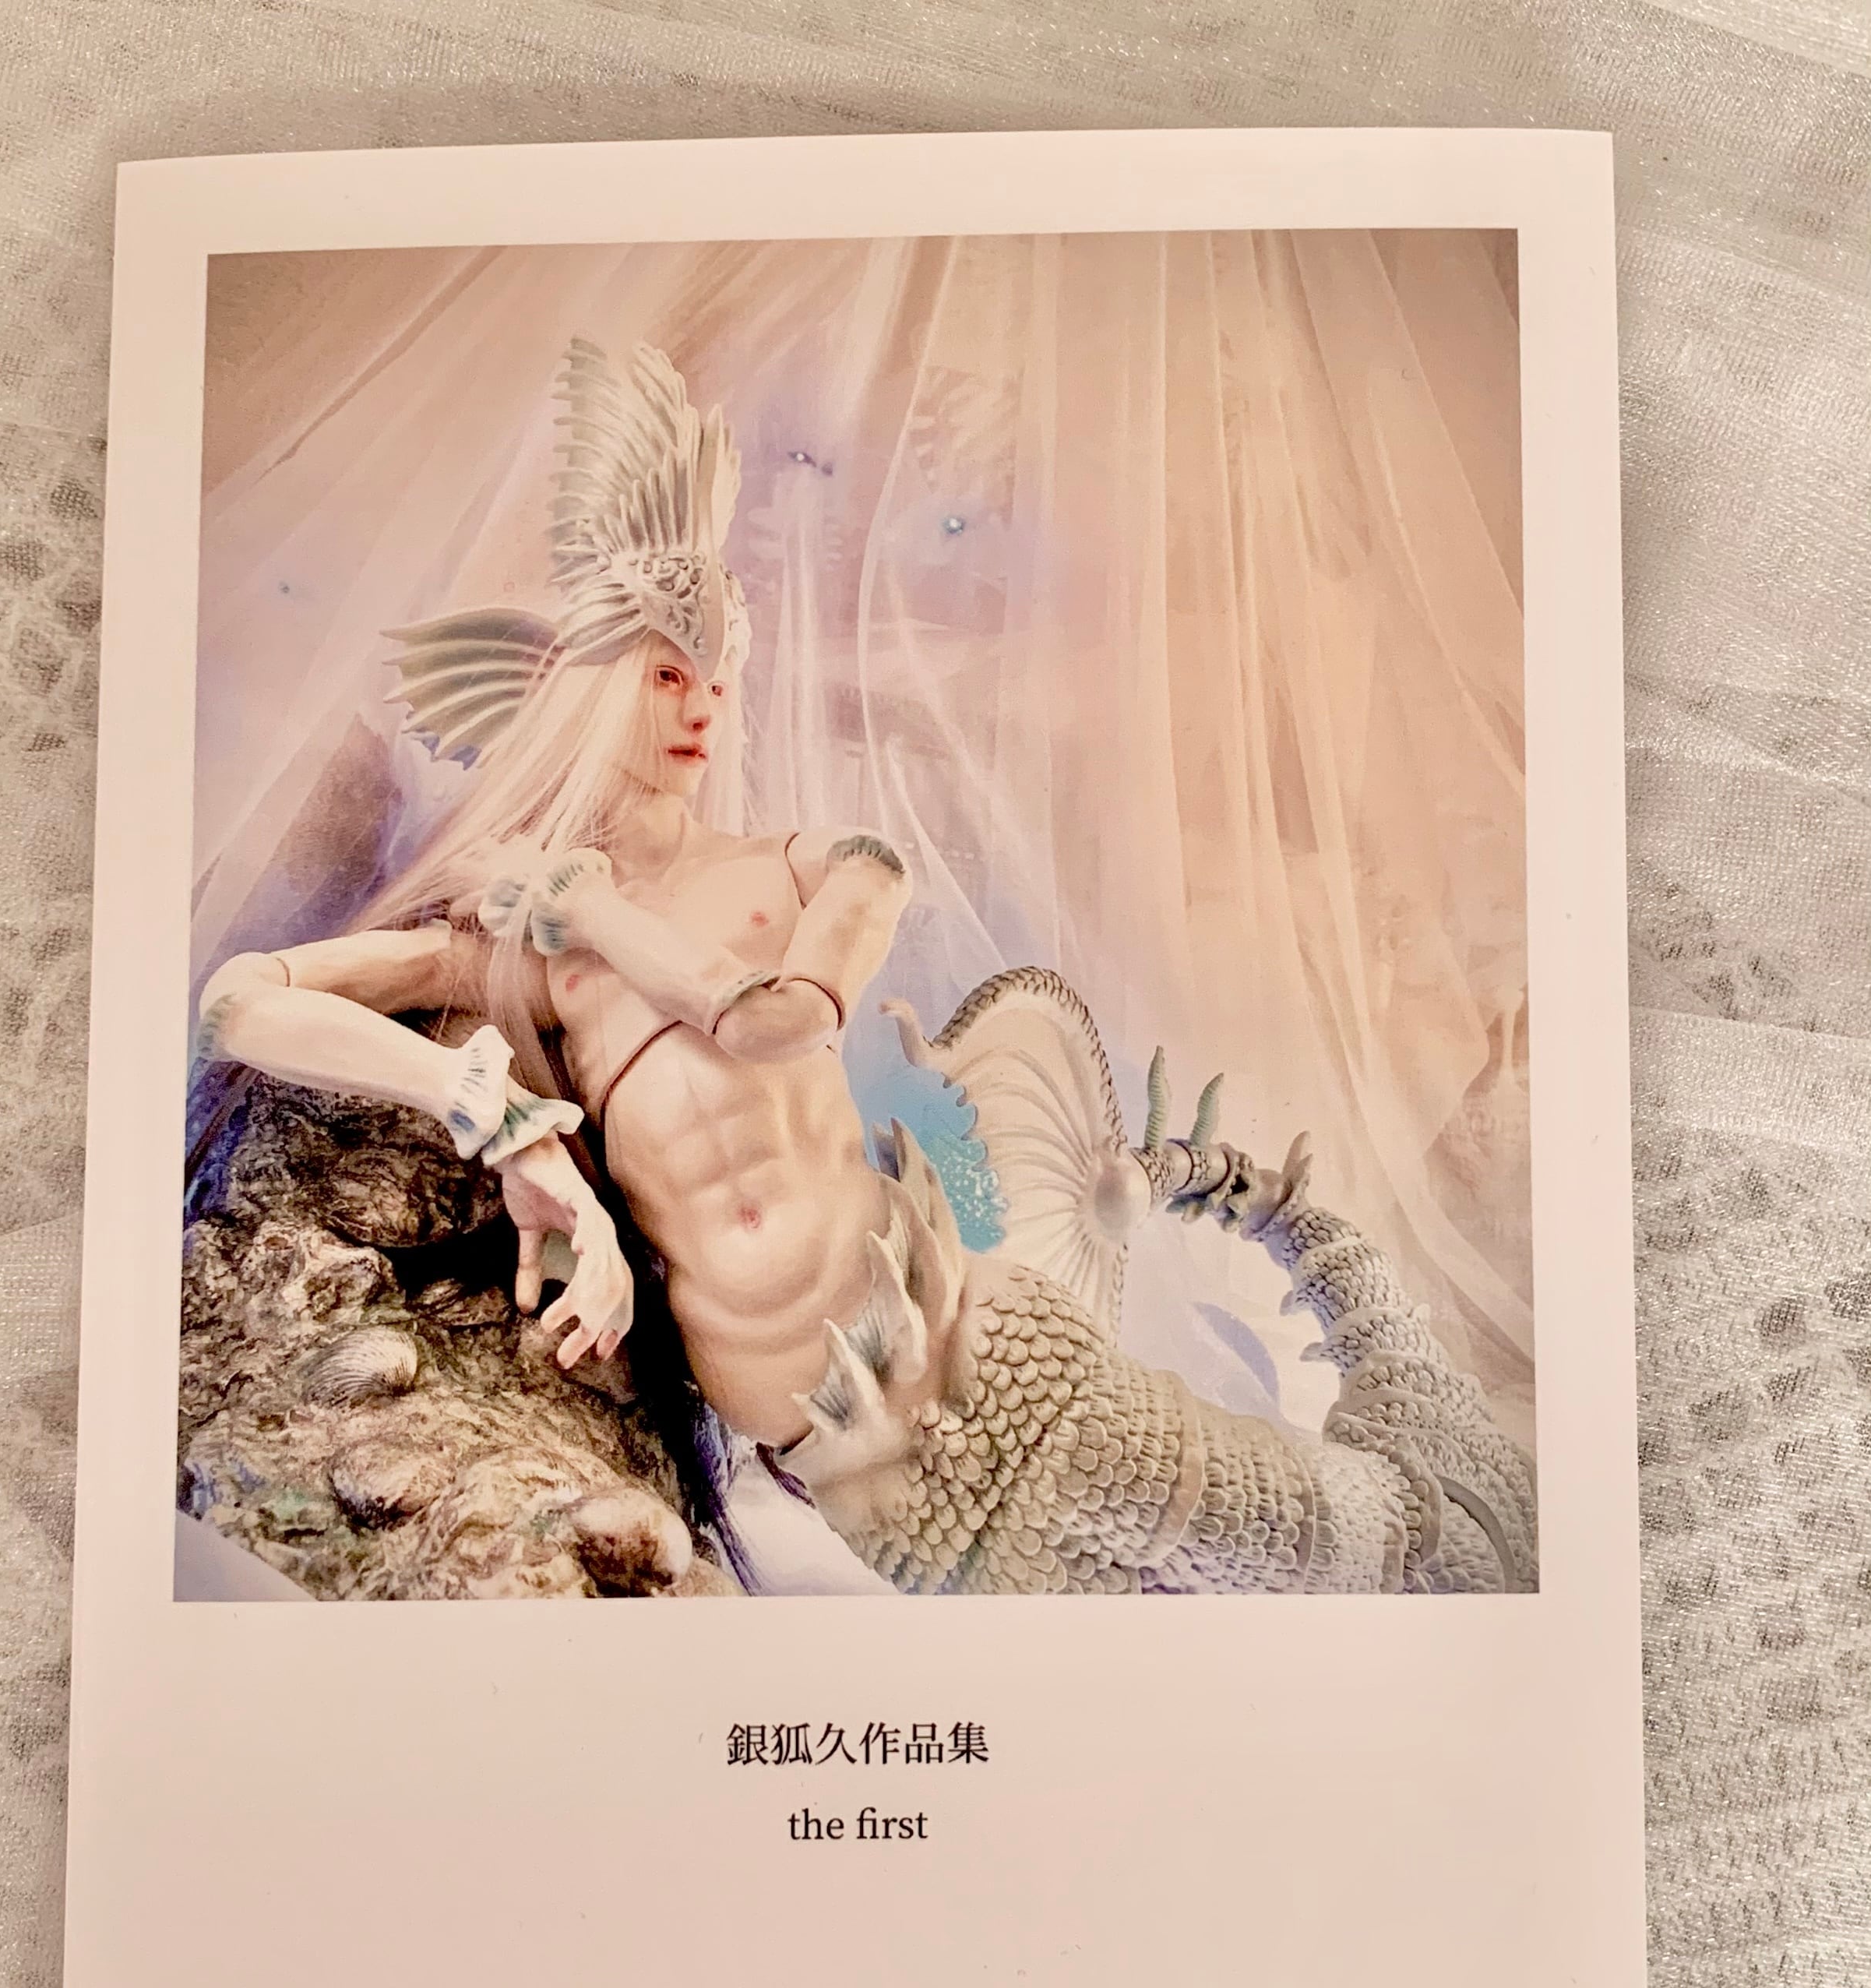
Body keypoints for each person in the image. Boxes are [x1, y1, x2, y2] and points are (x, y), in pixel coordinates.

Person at [199, 338, 1538, 1594]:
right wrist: (506, 1125)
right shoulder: (521, 952)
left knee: (1363, 1555)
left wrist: (597, 914)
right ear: (588, 685)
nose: (705, 707)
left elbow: (774, 1023)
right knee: (1140, 1684)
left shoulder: (815, 865)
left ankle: (1457, 1482)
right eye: (666, 676)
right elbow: (246, 1001)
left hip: (986, 1363)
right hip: (854, 1476)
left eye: (719, 677)